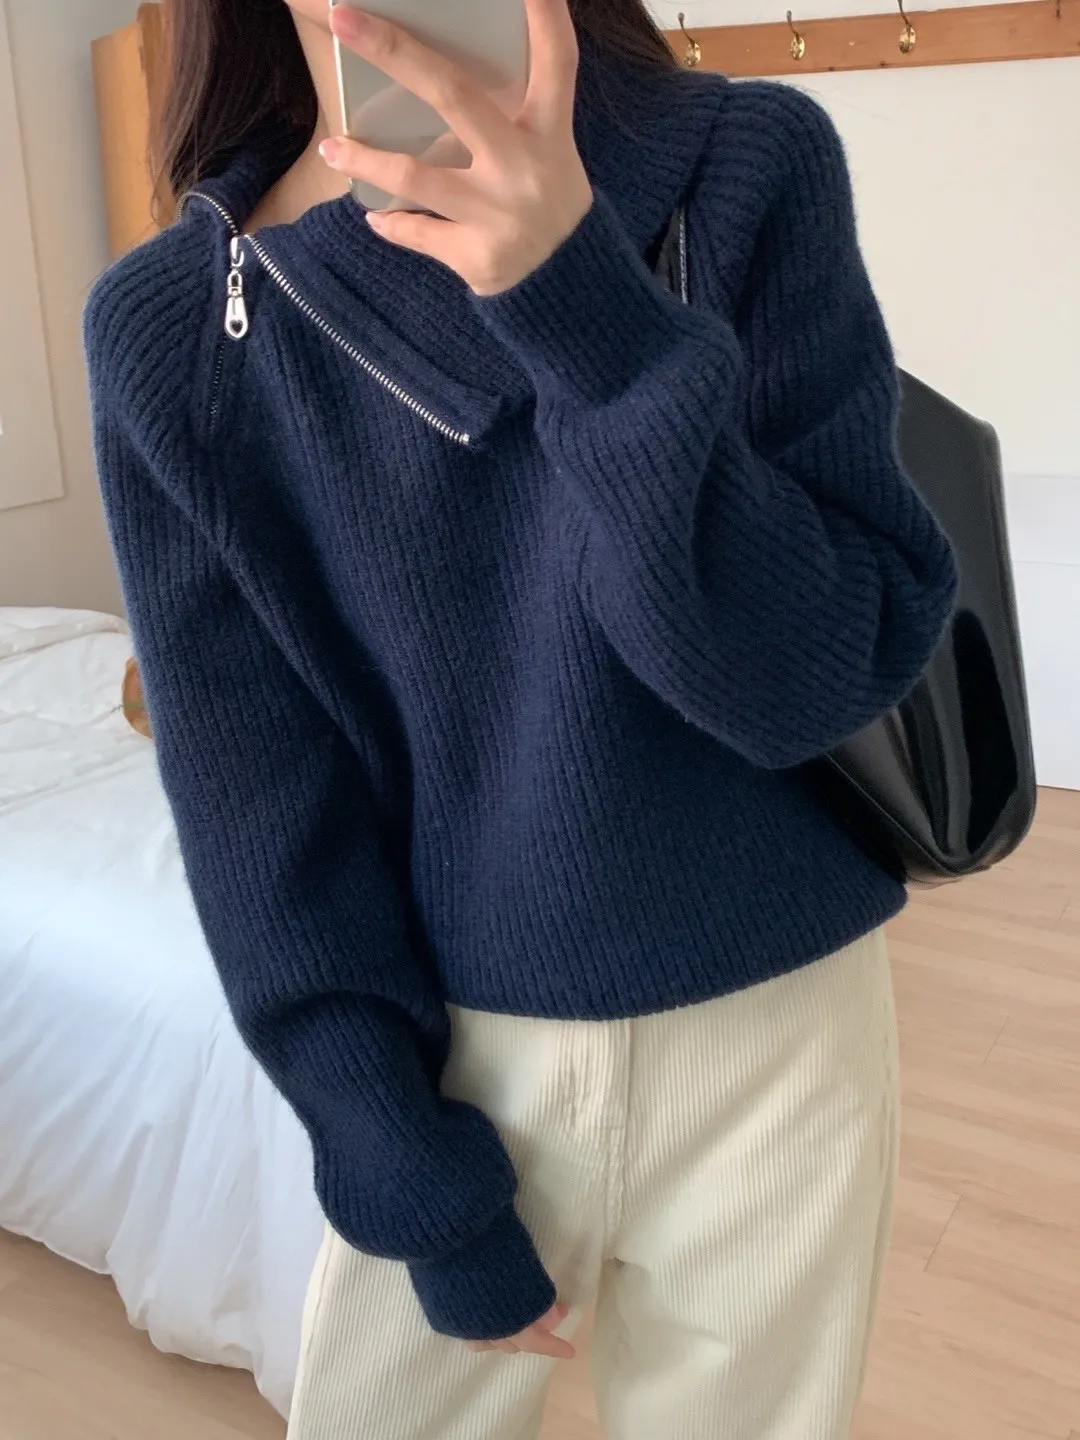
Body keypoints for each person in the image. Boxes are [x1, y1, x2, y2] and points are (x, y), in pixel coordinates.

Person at [84, 0, 957, 1436]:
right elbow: (263, 817)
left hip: (784, 1034)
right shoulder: (176, 329)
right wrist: (398, 1165)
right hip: (457, 1060)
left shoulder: (748, 165)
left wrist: (581, 304)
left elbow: (818, 675)